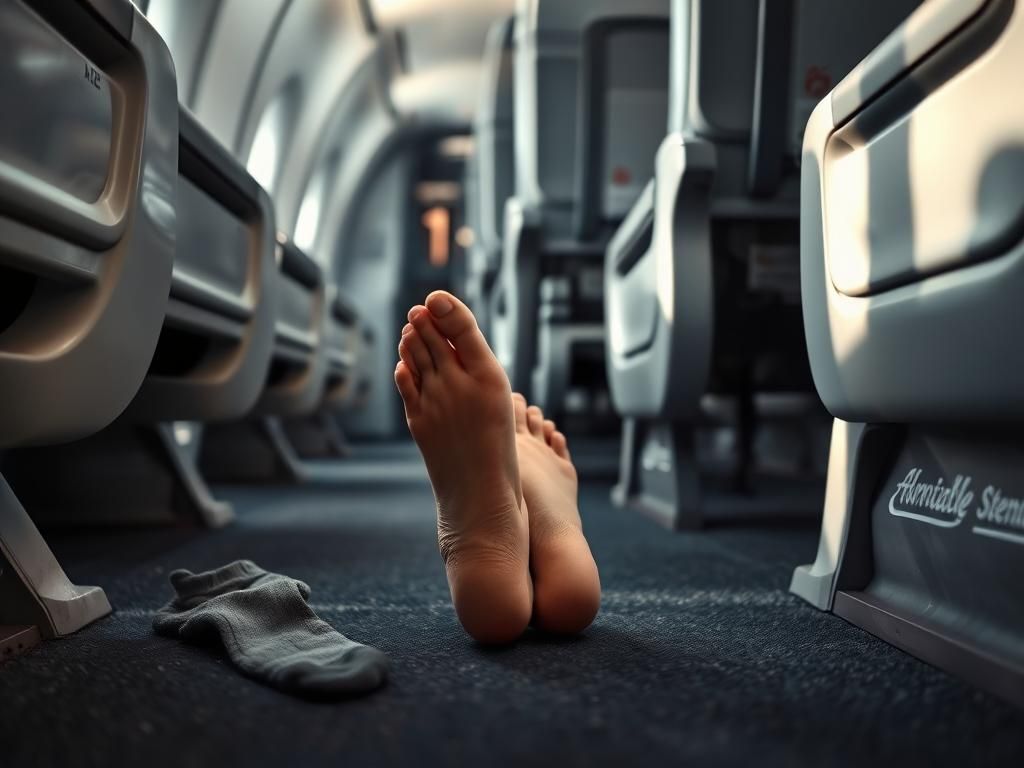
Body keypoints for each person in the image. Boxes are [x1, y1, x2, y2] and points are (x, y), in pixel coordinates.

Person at [395, 290, 601, 644]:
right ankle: (556, 527)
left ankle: (487, 536)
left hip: (483, 601)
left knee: (497, 603)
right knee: (569, 592)